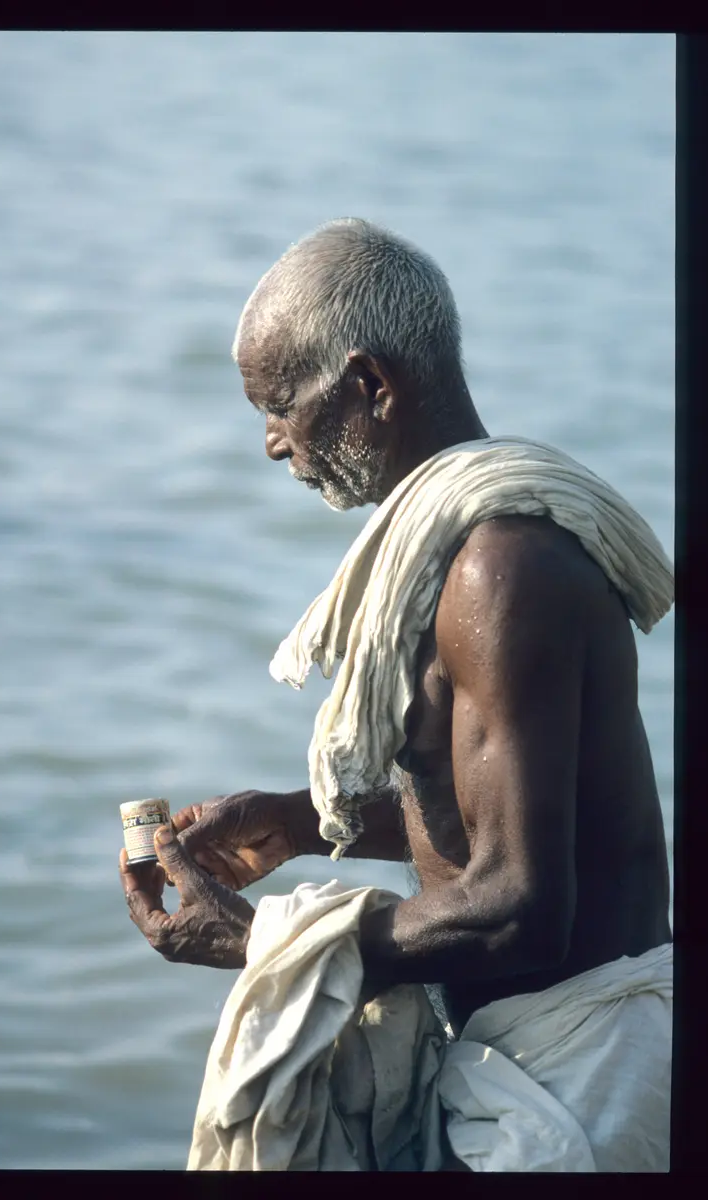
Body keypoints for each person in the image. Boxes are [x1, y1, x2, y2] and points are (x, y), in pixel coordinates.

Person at [120, 218, 672, 1170]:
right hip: (528, 1055)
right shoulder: (465, 555)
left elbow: (520, 903)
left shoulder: (500, 571)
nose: (271, 443)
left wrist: (271, 947)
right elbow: (504, 819)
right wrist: (299, 826)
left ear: (371, 387)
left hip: (586, 1070)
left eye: (281, 404)